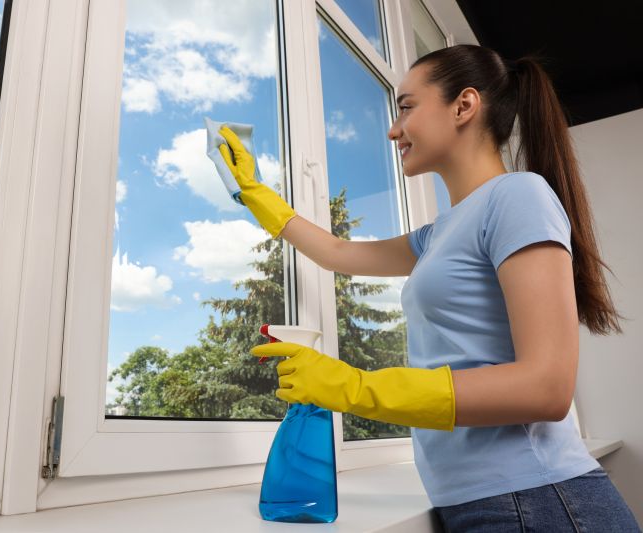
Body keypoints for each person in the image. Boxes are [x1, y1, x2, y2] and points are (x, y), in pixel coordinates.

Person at [216, 43, 640, 532]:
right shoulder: (440, 232)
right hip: (488, 503)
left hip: (540, 502)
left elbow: (546, 387)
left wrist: (356, 388)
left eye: (407, 107)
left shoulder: (517, 197)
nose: (393, 129)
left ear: (464, 105)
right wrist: (255, 193)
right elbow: (336, 253)